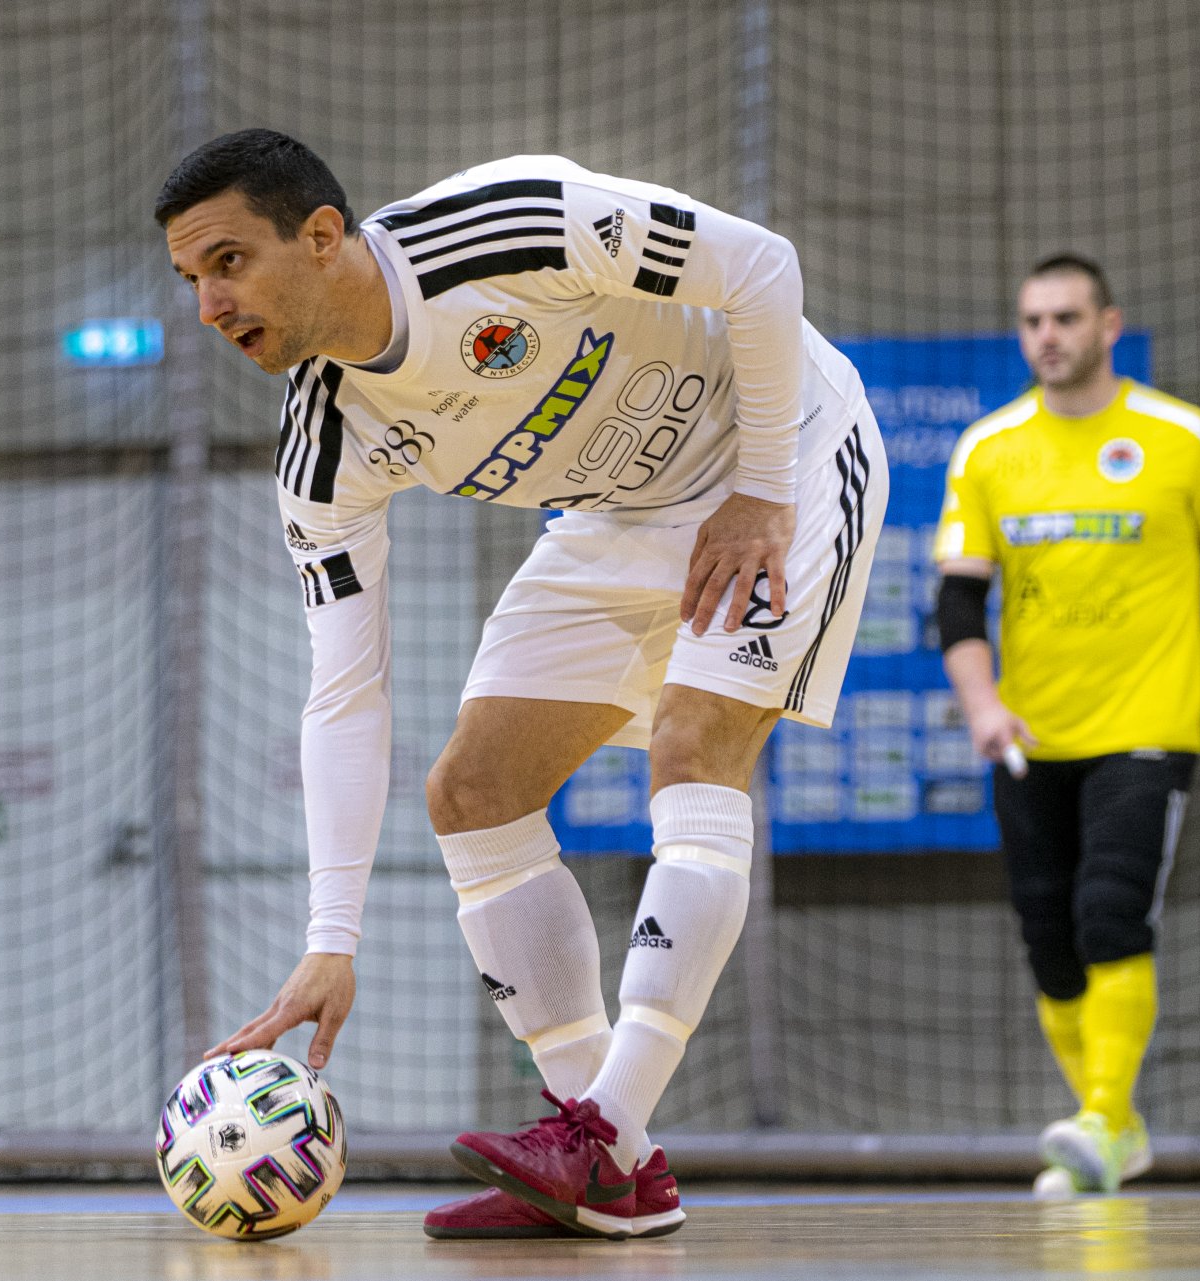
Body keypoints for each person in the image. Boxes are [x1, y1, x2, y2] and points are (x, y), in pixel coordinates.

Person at [155, 130, 887, 1239]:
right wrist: (329, 939)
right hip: (614, 517)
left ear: (318, 238)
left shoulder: (512, 225)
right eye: (190, 281)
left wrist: (760, 489)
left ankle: (601, 1130)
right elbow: (344, 693)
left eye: (226, 264)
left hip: (781, 452)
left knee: (697, 744)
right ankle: (612, 1166)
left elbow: (764, 267)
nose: (209, 306)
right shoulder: (324, 447)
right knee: (474, 791)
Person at [933, 254, 1200, 1196]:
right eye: (1032, 322)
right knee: (1049, 937)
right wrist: (983, 706)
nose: (1048, 338)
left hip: (1149, 725)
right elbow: (955, 604)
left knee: (1111, 910)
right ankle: (1115, 1123)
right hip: (1032, 736)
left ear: (1110, 324)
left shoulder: (1182, 436)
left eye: (1066, 318)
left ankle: (1102, 1118)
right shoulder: (988, 449)